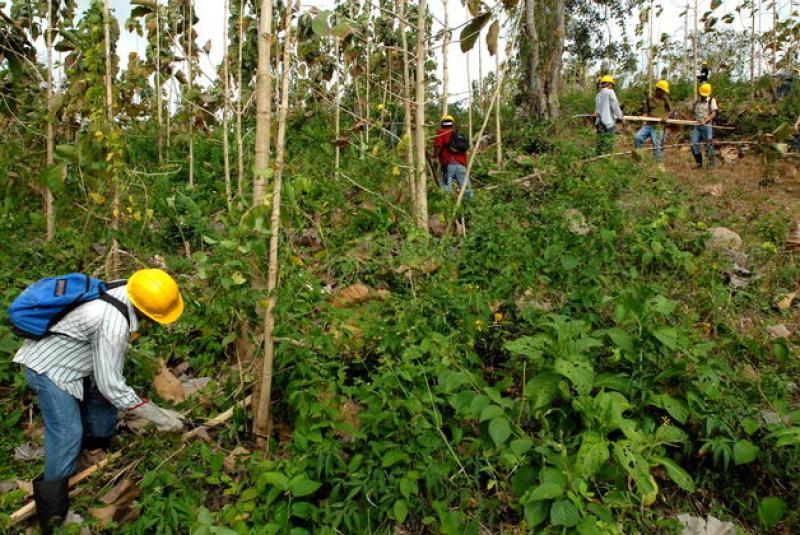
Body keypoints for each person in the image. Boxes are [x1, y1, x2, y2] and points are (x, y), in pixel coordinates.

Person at [13, 269, 186, 534]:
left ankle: (91, 452)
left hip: (77, 361)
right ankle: (53, 517)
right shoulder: (113, 325)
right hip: (49, 369)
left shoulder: (124, 289)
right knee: (67, 432)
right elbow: (112, 386)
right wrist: (163, 419)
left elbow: (107, 386)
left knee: (101, 402)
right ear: (149, 313)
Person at [433, 114, 473, 199]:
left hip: (448, 164)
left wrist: (434, 157)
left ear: (442, 123)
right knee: (466, 188)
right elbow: (465, 152)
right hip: (461, 165)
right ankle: (471, 205)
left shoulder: (441, 133)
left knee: (446, 189)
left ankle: (448, 207)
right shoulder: (459, 135)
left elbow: (438, 147)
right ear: (452, 123)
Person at [634, 79, 673, 162]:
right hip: (648, 125)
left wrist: (666, 116)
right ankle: (638, 160)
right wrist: (643, 117)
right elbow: (645, 111)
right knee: (638, 138)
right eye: (663, 91)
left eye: (665, 92)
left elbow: (671, 110)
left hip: (658, 126)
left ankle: (659, 165)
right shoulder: (649, 99)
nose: (664, 93)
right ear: (658, 90)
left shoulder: (665, 99)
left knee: (656, 145)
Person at [594, 75, 624, 155]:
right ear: (610, 84)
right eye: (612, 85)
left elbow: (597, 110)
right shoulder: (610, 92)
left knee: (600, 142)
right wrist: (620, 116)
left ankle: (598, 158)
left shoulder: (598, 95)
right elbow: (614, 105)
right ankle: (608, 160)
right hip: (608, 123)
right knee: (608, 143)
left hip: (599, 122)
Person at [690, 82, 718, 169]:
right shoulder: (696, 101)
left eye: (704, 95)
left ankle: (711, 163)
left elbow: (714, 113)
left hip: (707, 125)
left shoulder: (711, 100)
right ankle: (699, 163)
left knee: (709, 143)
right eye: (702, 94)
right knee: (694, 143)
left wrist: (705, 120)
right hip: (697, 126)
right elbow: (691, 112)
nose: (703, 96)